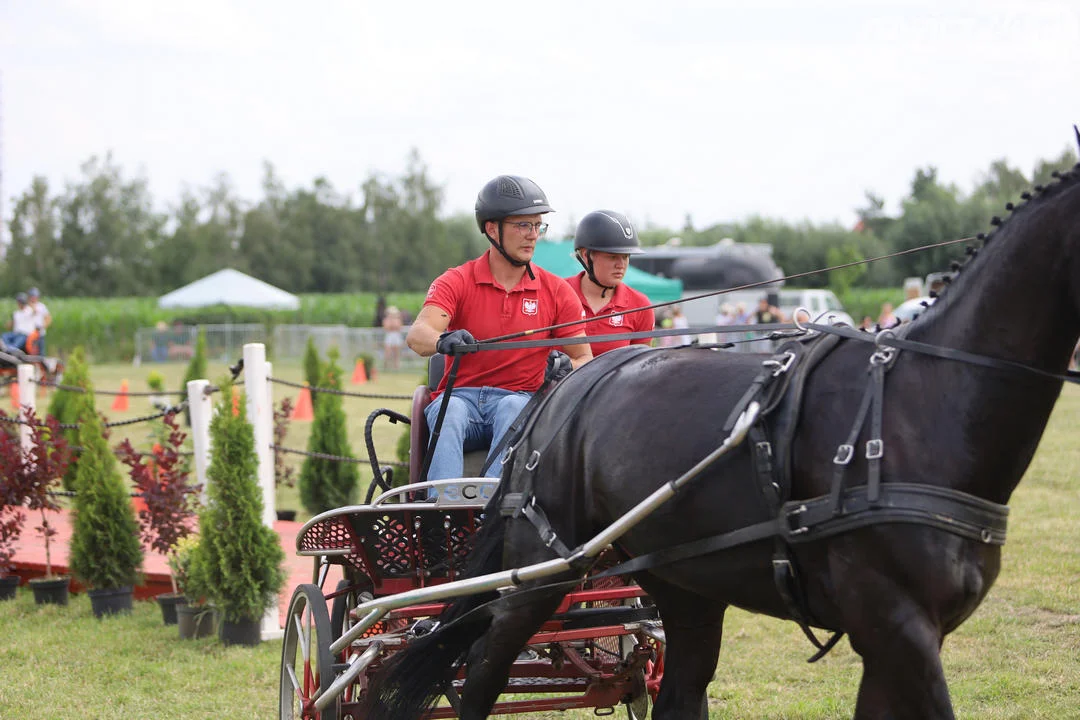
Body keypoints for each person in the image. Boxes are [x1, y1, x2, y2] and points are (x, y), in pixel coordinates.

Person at [406, 174, 592, 482]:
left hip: (519, 398)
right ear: (492, 229)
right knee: (448, 411)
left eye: (537, 226)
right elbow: (418, 335)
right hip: (461, 399)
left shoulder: (558, 291)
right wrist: (443, 339)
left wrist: (563, 366)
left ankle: (492, 509)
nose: (533, 235)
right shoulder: (457, 280)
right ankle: (439, 513)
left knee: (511, 407)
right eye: (523, 225)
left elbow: (583, 358)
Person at [565, 210, 654, 356]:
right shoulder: (557, 293)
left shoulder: (640, 305)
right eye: (612, 257)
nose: (621, 264)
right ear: (586, 255)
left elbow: (641, 367)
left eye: (625, 257)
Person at [27, 287, 51, 355]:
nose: (33, 298)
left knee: (41, 353)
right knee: (31, 353)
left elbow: (48, 318)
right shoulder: (26, 307)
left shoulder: (41, 306)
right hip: (29, 334)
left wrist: (43, 326)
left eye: (35, 296)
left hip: (40, 333)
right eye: (32, 296)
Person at [382, 305, 404, 370]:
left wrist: (393, 324)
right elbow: (387, 327)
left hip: (396, 336)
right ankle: (386, 366)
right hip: (389, 336)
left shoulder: (398, 320)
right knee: (387, 352)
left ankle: (396, 366)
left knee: (396, 353)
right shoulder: (386, 320)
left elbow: (398, 327)